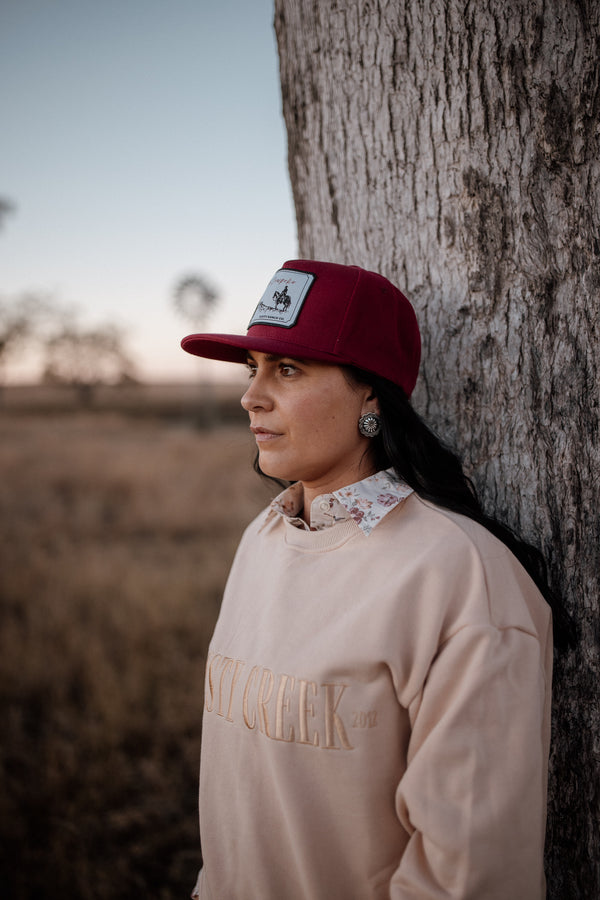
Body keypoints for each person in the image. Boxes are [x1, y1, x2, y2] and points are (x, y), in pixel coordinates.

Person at [181, 259, 560, 900]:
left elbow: (467, 875)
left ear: (372, 394)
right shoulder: (264, 538)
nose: (251, 396)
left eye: (289, 369)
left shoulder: (461, 577)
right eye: (254, 368)